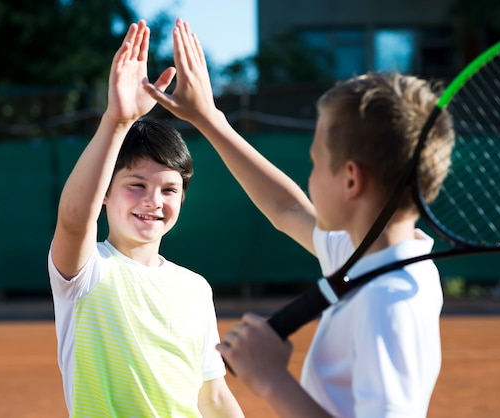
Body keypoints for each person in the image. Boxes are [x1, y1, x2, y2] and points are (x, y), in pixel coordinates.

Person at [144, 19, 454, 418]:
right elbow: (286, 208)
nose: (309, 178)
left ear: (351, 179)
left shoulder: (390, 302)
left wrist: (272, 378)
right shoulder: (370, 256)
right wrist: (208, 118)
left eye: (314, 163)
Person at [48, 20, 244, 418]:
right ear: (104, 193)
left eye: (169, 190)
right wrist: (117, 121)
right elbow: (73, 221)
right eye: (136, 185)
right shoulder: (86, 272)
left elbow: (214, 396)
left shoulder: (195, 288)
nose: (153, 200)